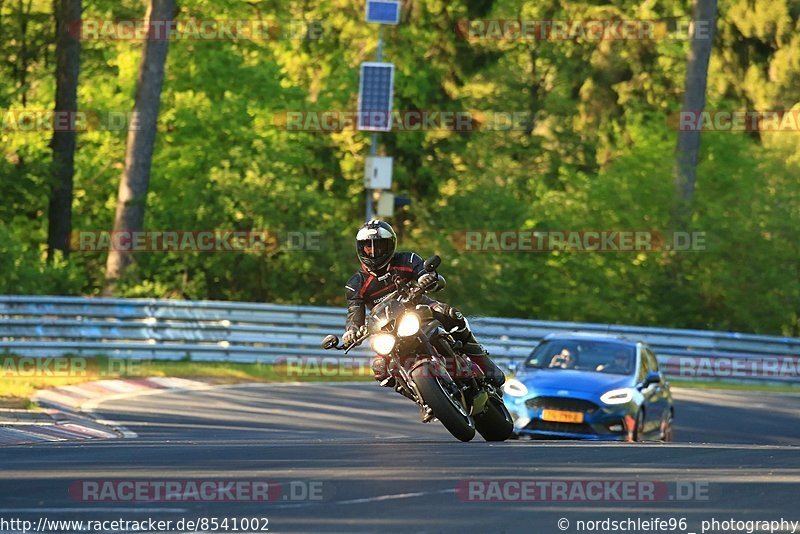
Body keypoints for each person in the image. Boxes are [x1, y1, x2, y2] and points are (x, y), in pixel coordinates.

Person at [342, 220, 506, 394]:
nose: (373, 251)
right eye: (368, 247)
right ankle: (422, 398)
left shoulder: (407, 259)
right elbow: (354, 313)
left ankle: (484, 363)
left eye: (379, 246)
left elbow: (424, 272)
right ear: (360, 249)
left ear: (390, 245)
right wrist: (351, 331)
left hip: (418, 308)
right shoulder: (355, 284)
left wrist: (427, 278)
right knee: (380, 370)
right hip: (387, 328)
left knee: (450, 314)